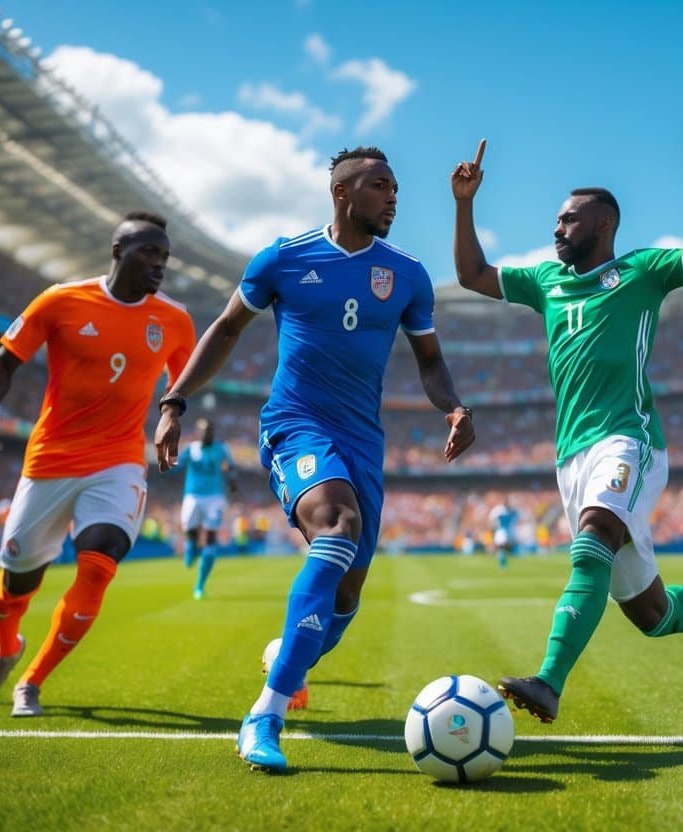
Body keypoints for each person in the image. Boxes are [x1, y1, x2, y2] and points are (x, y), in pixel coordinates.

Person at [153, 147, 475, 772]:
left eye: (396, 187)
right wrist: (174, 400)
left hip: (362, 439)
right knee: (337, 529)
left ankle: (288, 659)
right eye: (382, 185)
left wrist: (454, 408)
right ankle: (264, 714)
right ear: (343, 192)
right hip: (296, 425)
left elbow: (430, 362)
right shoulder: (285, 258)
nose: (394, 198)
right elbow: (223, 328)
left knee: (347, 593)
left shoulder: (405, 273)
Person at [451, 122, 683, 725]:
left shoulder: (643, 271)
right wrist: (465, 207)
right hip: (570, 456)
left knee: (591, 544)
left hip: (629, 438)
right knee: (652, 615)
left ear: (603, 226)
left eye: (568, 220)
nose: (557, 228)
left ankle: (549, 681)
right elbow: (472, 276)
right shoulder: (546, 282)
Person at [0, 211, 195, 717]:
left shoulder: (174, 320)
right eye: (148, 253)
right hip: (50, 459)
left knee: (99, 563)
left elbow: (184, 380)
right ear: (117, 252)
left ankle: (32, 680)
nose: (159, 264)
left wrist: (169, 415)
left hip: (117, 461)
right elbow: (4, 359)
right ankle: (7, 648)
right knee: (16, 584)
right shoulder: (61, 301)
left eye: (164, 256)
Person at [179, 417, 238, 599]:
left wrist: (232, 480)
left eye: (209, 431)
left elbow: (231, 467)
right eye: (203, 431)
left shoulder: (221, 448)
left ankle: (200, 585)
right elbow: (177, 464)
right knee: (190, 531)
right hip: (193, 496)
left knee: (210, 536)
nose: (206, 435)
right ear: (197, 433)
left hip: (215, 497)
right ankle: (191, 546)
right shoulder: (191, 449)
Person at [488, 494, 518, 569]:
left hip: (506, 531)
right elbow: (492, 520)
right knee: (501, 547)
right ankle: (502, 562)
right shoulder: (499, 510)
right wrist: (493, 528)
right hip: (500, 531)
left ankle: (502, 561)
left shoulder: (509, 510)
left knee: (503, 547)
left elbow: (514, 519)